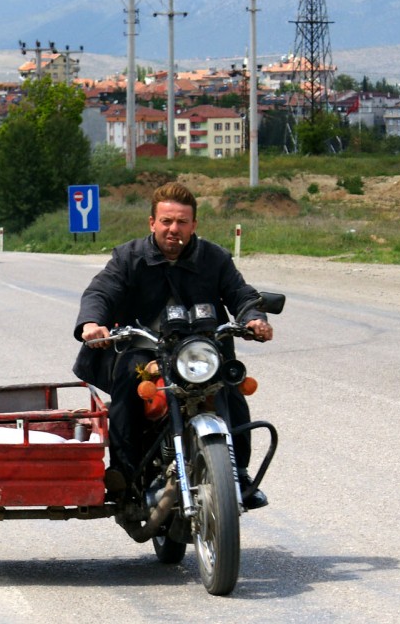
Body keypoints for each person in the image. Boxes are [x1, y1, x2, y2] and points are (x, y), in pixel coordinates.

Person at [72, 181, 274, 509]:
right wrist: (92, 323)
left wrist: (254, 318)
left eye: (181, 222)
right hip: (144, 349)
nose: (173, 229)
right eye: (166, 221)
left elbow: (241, 293)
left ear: (194, 225)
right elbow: (101, 291)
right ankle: (126, 474)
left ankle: (238, 472)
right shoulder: (129, 257)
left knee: (231, 388)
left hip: (199, 349)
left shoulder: (214, 258)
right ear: (152, 223)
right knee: (128, 385)